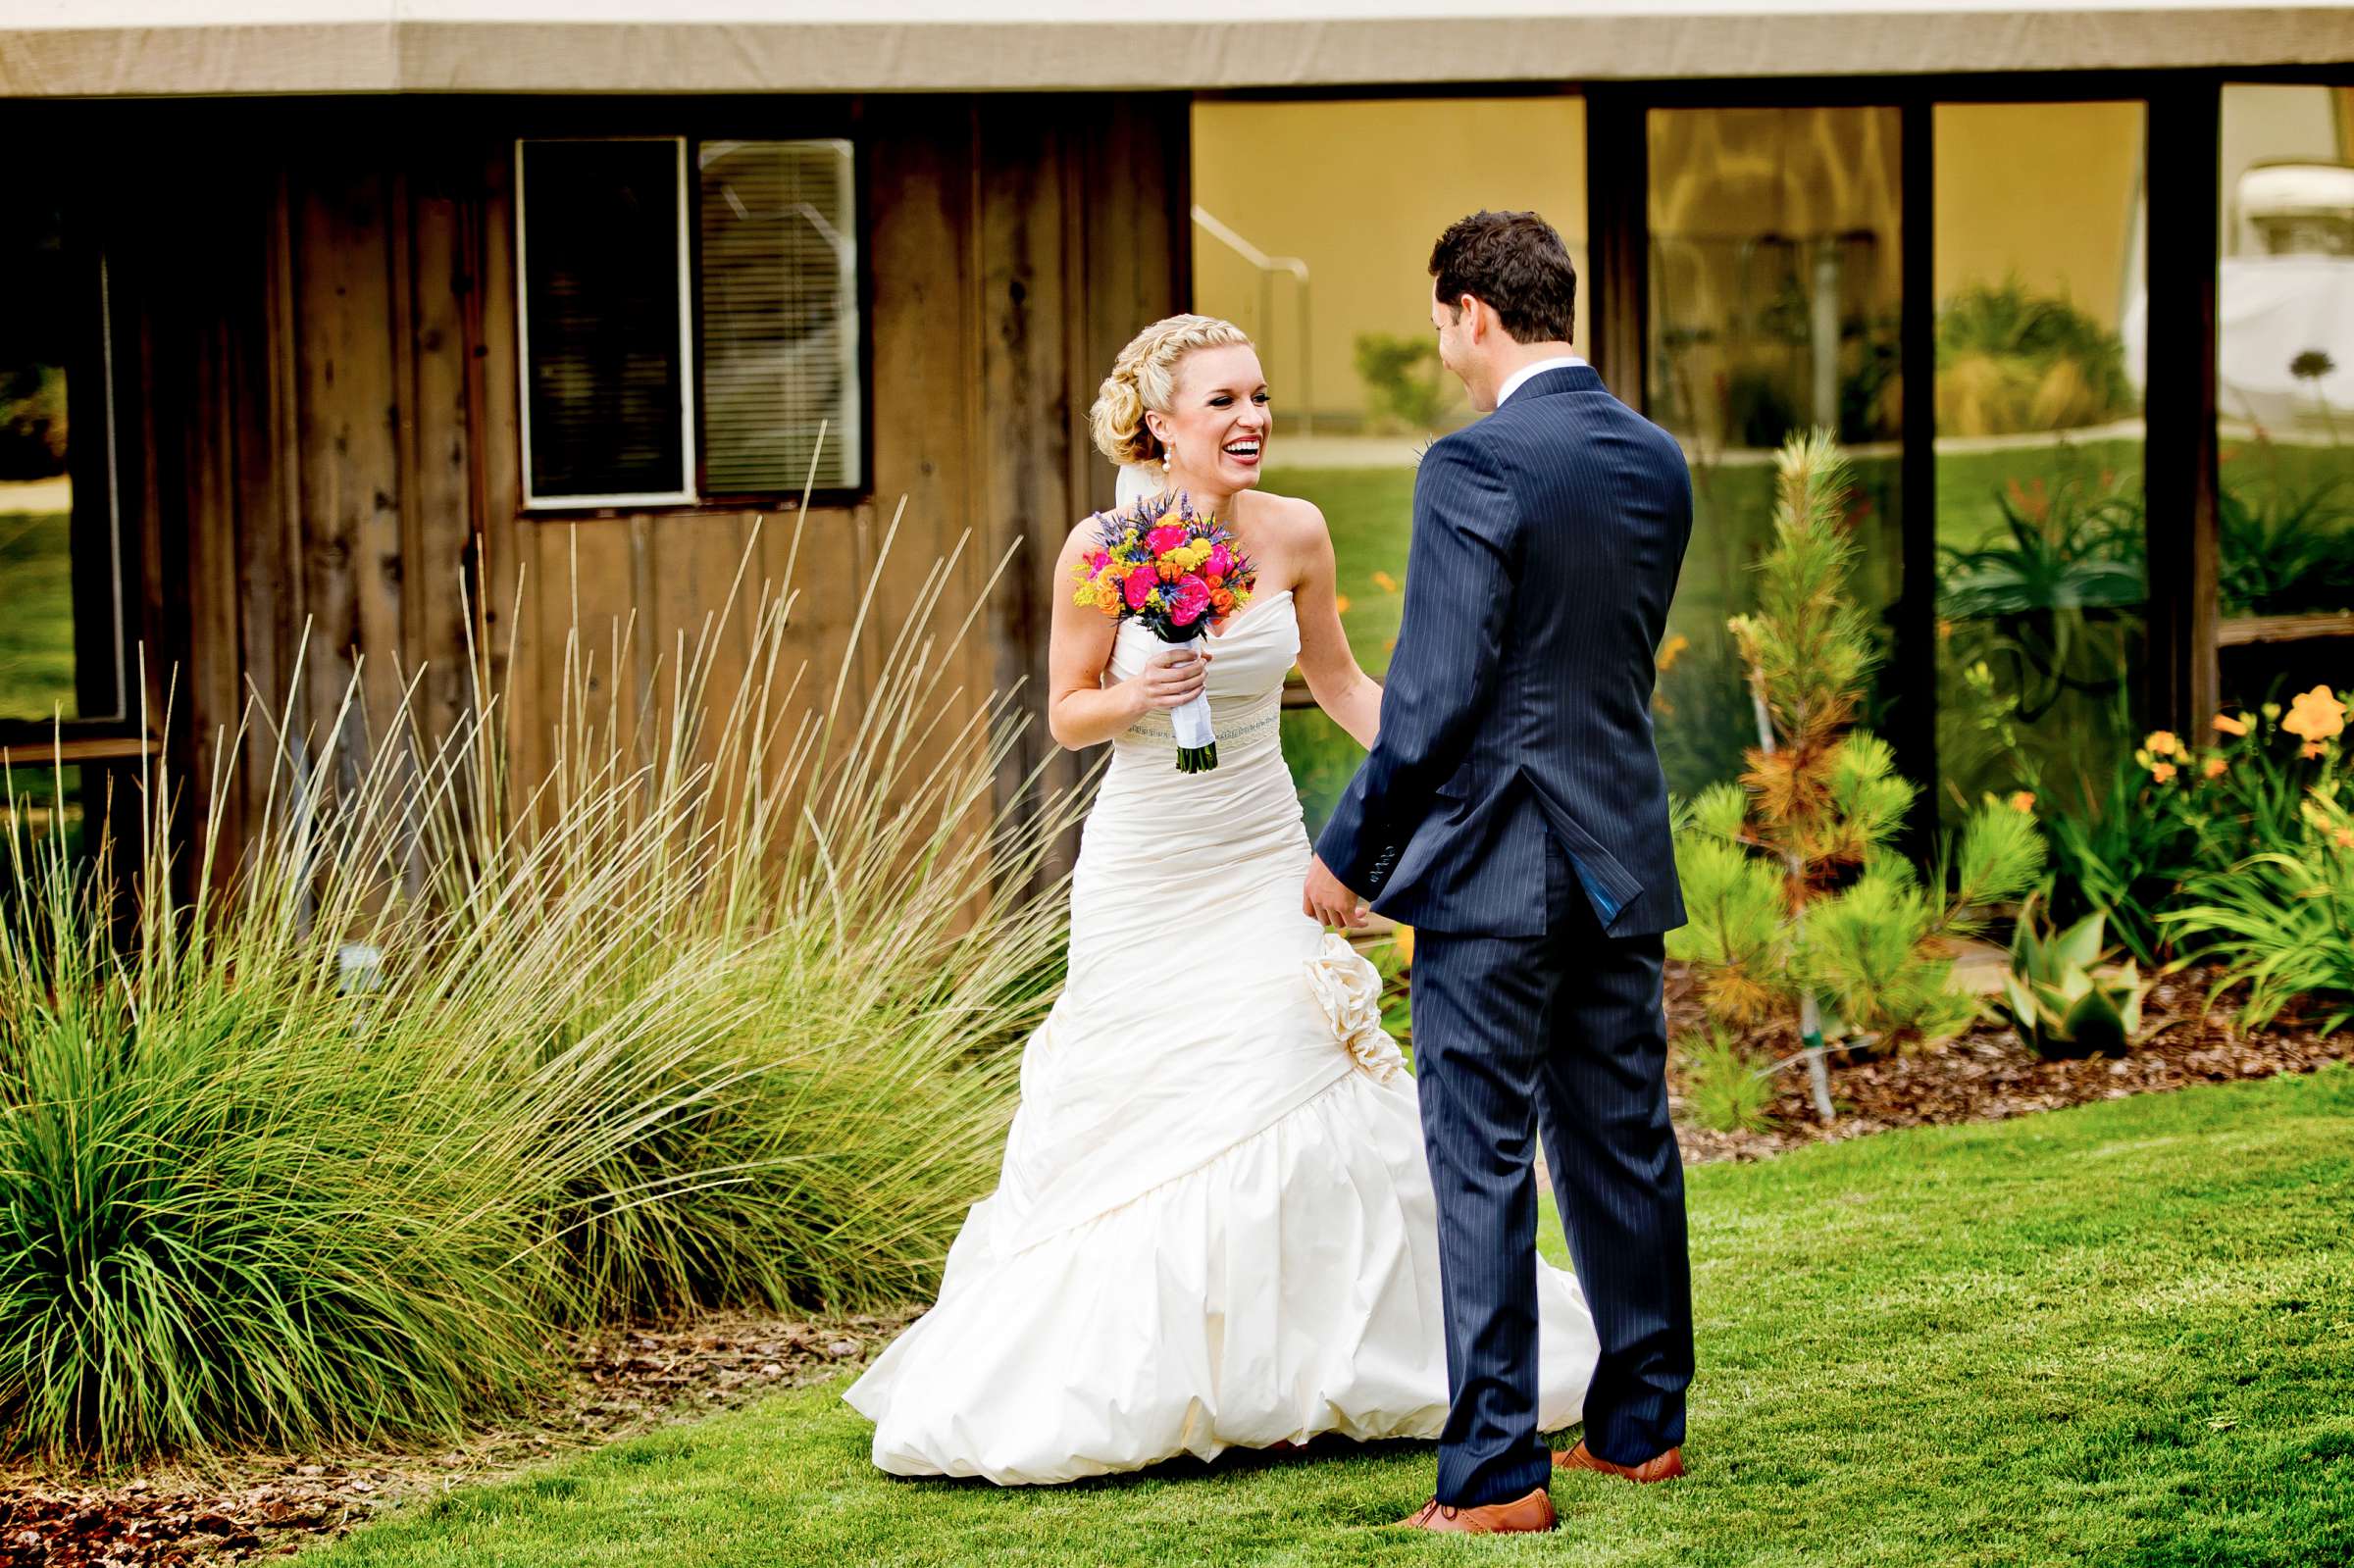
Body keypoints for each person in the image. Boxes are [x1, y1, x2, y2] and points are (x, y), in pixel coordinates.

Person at [843, 312, 1599, 1484]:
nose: (1251, 421)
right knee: (1144, 1104)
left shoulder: (1294, 534)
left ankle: (1323, 1366)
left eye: (1259, 399)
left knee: (1297, 1065)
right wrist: (1138, 695)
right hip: (1148, 868)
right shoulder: (1101, 545)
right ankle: (1144, 1381)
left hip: (1262, 853)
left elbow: (1342, 683)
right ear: (1161, 424)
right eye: (1224, 403)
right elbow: (1064, 709)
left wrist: (1452, 767)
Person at [1305, 210, 1697, 1535]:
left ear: (1472, 310)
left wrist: (1349, 850)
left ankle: (1494, 1474)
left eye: (1437, 321)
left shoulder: (1473, 464)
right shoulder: (1655, 459)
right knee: (1623, 1142)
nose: (1439, 345)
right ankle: (1643, 1429)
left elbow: (1437, 697)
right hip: (1618, 854)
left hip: (1495, 869)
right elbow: (1594, 669)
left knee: (1478, 1161)